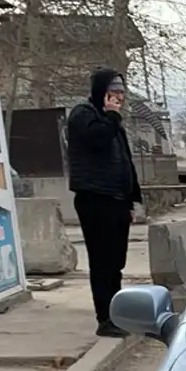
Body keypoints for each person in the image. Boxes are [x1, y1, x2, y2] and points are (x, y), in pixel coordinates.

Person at [67, 68, 142, 337]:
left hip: (117, 200)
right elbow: (97, 140)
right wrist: (110, 115)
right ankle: (105, 319)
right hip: (95, 199)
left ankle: (117, 313)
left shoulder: (113, 121)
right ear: (101, 92)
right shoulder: (84, 114)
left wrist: (132, 199)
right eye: (113, 93)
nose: (118, 98)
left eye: (121, 93)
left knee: (116, 262)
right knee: (102, 262)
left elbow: (124, 161)